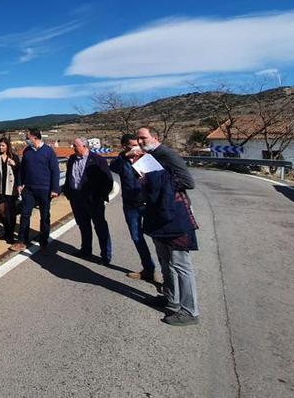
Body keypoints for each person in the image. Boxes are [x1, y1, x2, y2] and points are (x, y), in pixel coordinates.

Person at [136, 126, 200, 326]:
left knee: (181, 265)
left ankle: (190, 311)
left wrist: (153, 179)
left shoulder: (167, 155)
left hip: (174, 216)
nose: (139, 141)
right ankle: (170, 298)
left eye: (143, 138)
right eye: (138, 138)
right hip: (158, 216)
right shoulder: (148, 156)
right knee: (165, 260)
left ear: (155, 137)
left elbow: (188, 182)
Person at [109, 134, 159, 282]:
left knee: (158, 238)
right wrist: (126, 156)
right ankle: (148, 269)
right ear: (125, 147)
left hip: (149, 204)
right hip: (130, 205)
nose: (137, 147)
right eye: (133, 145)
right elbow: (113, 166)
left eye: (138, 144)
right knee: (137, 237)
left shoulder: (147, 157)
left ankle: (168, 276)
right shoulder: (121, 160)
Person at [64, 137, 114, 265]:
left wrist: (99, 196)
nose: (73, 148)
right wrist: (68, 192)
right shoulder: (72, 159)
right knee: (83, 225)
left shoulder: (98, 160)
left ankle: (105, 255)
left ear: (84, 146)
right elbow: (70, 176)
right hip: (76, 197)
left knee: (100, 226)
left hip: (93, 199)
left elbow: (108, 181)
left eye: (75, 146)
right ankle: (86, 250)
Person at [13, 129, 60, 252]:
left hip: (45, 189)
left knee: (44, 216)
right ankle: (22, 240)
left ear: (35, 137)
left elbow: (55, 171)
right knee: (25, 214)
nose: (26, 140)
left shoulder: (48, 152)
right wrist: (19, 183)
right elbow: (22, 170)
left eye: (28, 138)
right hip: (29, 189)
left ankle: (44, 240)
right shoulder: (27, 151)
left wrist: (55, 189)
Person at [0, 137, 20, 244]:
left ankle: (10, 235)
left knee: (11, 213)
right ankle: (7, 231)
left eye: (3, 145)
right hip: (0, 189)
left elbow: (20, 172)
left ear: (7, 146)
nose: (0, 147)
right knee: (1, 211)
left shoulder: (14, 157)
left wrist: (14, 165)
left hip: (11, 189)